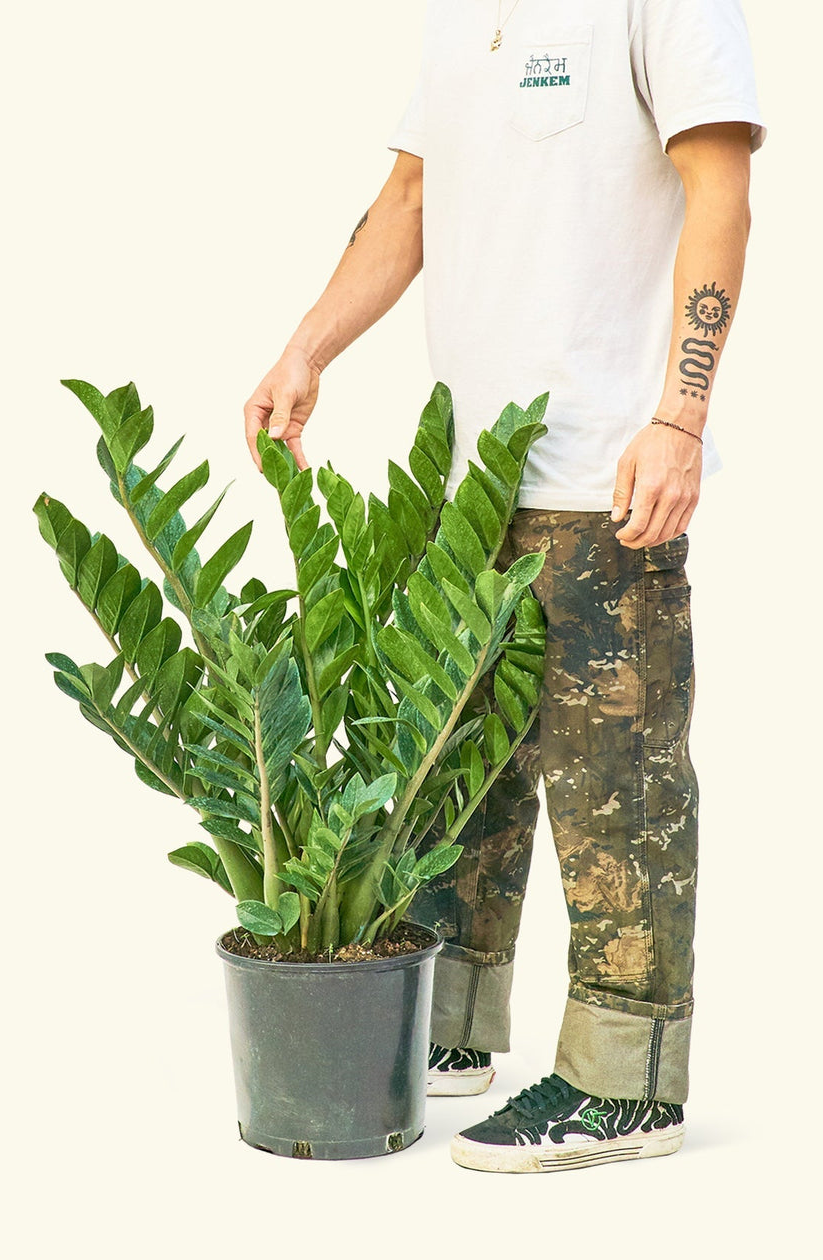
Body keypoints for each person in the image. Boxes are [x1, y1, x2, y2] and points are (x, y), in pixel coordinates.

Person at [243, 0, 765, 1173]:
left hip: (601, 474)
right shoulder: (461, 14)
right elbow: (412, 201)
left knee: (615, 787)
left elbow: (720, 194)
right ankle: (455, 1030)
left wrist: (680, 415)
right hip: (469, 481)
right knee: (461, 784)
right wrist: (306, 348)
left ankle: (625, 1082)